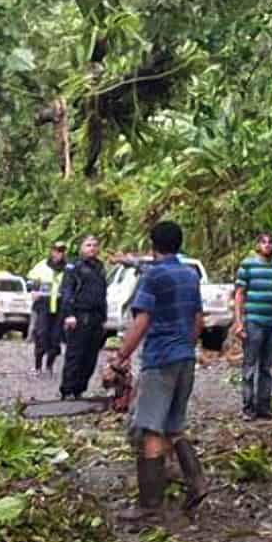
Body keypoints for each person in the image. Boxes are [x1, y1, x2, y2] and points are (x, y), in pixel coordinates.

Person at [110, 220, 208, 524]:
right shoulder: (190, 275)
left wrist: (119, 358)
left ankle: (150, 505)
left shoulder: (154, 277)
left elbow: (141, 322)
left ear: (153, 245)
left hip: (161, 359)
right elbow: (198, 321)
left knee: (150, 429)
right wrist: (186, 347)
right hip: (185, 358)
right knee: (174, 426)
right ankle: (196, 481)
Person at [234, 232, 272, 419]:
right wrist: (239, 322)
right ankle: (248, 407)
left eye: (270, 242)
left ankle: (264, 407)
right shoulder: (247, 265)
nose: (267, 245)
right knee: (250, 364)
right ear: (258, 245)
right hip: (253, 322)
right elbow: (240, 294)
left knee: (266, 367)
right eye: (263, 242)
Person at [58, 236, 107, 401]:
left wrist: (103, 316)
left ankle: (80, 388)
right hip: (79, 316)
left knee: (90, 356)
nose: (92, 248)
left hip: (96, 317)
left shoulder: (99, 267)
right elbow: (67, 292)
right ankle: (68, 389)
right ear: (81, 248)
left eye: (94, 245)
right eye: (88, 245)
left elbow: (102, 293)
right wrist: (69, 314)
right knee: (75, 355)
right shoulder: (74, 267)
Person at [27, 241, 68, 376]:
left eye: (61, 251)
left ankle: (49, 365)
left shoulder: (69, 269)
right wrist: (34, 290)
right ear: (52, 251)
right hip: (43, 305)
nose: (58, 254)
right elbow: (30, 281)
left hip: (60, 306)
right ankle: (37, 366)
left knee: (56, 338)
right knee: (41, 334)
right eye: (56, 251)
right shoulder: (42, 266)